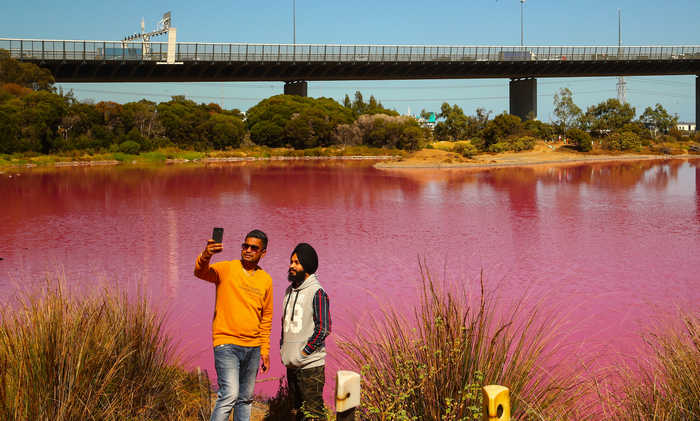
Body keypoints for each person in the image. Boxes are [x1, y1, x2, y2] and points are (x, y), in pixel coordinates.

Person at [194, 229, 273, 421]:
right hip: (227, 344)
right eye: (245, 246)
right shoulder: (227, 269)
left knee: (245, 399)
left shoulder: (266, 280)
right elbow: (200, 272)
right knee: (229, 395)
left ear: (263, 253)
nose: (247, 250)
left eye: (254, 248)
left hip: (253, 348)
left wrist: (265, 350)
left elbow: (267, 317)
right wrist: (207, 254)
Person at [280, 243, 331, 420]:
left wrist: (304, 352)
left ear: (307, 266)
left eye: (296, 262)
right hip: (292, 365)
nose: (291, 266)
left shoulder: (317, 292)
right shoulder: (289, 291)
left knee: (314, 415)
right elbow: (285, 325)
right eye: (291, 261)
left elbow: (324, 328)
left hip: (310, 366)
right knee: (297, 413)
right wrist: (284, 350)